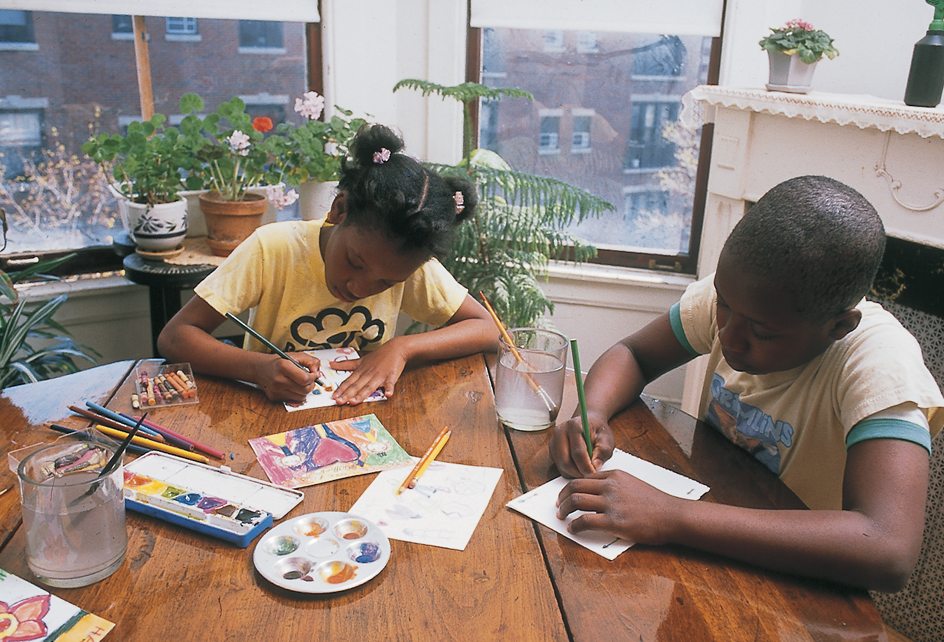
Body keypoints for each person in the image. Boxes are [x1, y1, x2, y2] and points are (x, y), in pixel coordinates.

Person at [551, 175, 944, 592]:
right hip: (710, 543)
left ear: (840, 326)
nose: (728, 336)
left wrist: (673, 515)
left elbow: (888, 550)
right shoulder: (742, 299)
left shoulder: (879, 365)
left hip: (795, 586)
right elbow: (635, 354)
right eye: (722, 304)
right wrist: (592, 412)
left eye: (763, 332)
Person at [158, 124, 497, 405]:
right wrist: (258, 369)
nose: (359, 288)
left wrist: (402, 347)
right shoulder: (273, 249)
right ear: (339, 209)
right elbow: (175, 338)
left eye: (386, 284)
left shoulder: (407, 264)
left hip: (363, 420)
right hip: (267, 413)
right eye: (355, 262)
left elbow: (488, 329)